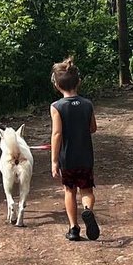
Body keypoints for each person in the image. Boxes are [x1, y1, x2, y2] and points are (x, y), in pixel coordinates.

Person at [50, 56, 100, 241]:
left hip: (67, 158)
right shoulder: (88, 104)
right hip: (86, 157)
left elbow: (57, 134)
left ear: (57, 85)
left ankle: (73, 229)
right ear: (78, 81)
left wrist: (54, 160)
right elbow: (93, 128)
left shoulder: (57, 107)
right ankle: (87, 210)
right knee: (87, 191)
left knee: (69, 191)